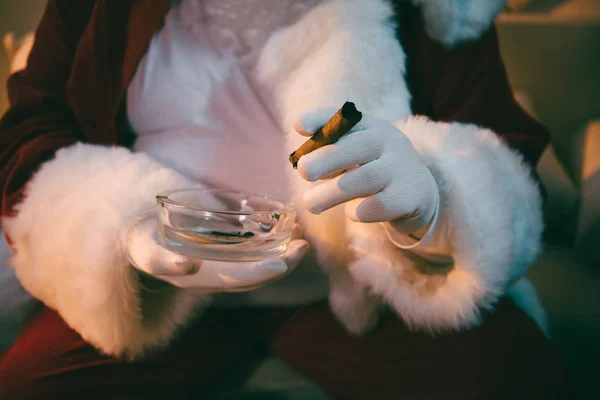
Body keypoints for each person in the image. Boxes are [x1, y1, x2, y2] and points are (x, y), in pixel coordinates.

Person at [0, 0, 572, 398]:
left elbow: (502, 144)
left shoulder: (437, 12)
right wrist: (113, 226)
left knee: (514, 374)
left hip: (355, 293)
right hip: (153, 288)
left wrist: (435, 200)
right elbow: (31, 126)